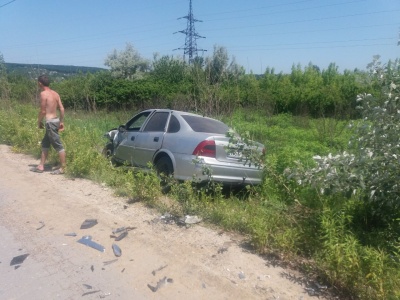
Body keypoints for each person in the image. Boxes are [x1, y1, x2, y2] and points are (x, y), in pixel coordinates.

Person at [32, 74, 66, 174]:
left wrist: (38, 122)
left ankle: (63, 168)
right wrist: (61, 121)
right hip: (55, 121)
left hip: (50, 122)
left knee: (58, 145)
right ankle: (41, 166)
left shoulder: (43, 94)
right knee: (45, 143)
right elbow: (62, 108)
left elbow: (43, 111)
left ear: (39, 83)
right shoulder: (55, 94)